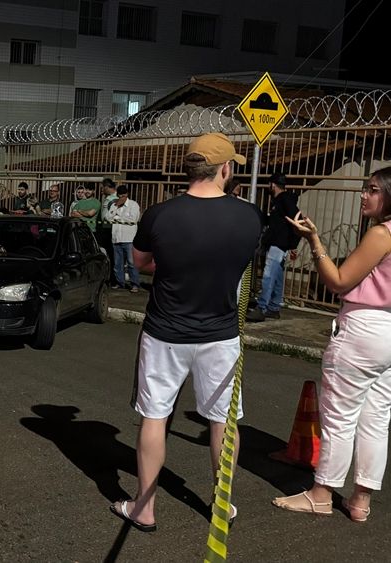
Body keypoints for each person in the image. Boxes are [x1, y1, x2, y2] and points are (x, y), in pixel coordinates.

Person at [110, 132, 261, 532]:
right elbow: (238, 262)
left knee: (155, 416)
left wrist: (174, 266)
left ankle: (144, 507)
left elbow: (141, 262)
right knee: (223, 422)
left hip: (165, 332)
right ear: (225, 169)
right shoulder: (249, 217)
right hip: (222, 334)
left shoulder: (160, 214)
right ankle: (222, 502)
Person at [272, 167, 391, 522]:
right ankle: (361, 501)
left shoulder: (381, 235)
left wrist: (316, 242)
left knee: (340, 417)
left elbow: (338, 280)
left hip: (362, 328)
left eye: (371, 189)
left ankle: (322, 493)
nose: (363, 195)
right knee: (376, 419)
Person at [248, 172, 300, 322]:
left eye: (269, 184)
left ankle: (262, 308)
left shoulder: (284, 201)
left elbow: (297, 219)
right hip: (278, 243)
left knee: (268, 275)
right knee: (276, 277)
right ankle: (273, 308)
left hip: (279, 243)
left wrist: (293, 244)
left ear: (273, 184)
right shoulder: (279, 201)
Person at [109, 185, 141, 292]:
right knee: (118, 264)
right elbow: (108, 218)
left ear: (127, 194)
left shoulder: (133, 205)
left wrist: (117, 217)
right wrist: (117, 208)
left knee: (131, 263)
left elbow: (133, 219)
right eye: (120, 195)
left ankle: (135, 284)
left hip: (129, 239)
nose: (122, 197)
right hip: (116, 238)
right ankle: (120, 283)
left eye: (124, 194)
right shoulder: (114, 205)